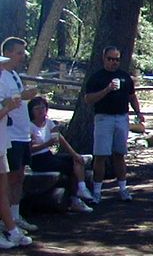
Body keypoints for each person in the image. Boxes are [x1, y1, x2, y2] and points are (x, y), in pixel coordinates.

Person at [83, 46, 145, 202]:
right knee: (101, 155)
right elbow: (88, 99)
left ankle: (123, 189)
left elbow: (132, 96)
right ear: (104, 59)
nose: (113, 62)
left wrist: (138, 112)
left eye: (116, 59)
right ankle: (97, 191)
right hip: (103, 118)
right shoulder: (97, 78)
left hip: (122, 117)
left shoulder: (124, 77)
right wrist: (107, 90)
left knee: (119, 154)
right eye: (110, 59)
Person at [28, 96, 93, 213]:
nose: (41, 111)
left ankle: (81, 190)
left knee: (75, 160)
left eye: (43, 108)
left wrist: (74, 154)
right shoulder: (30, 127)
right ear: (32, 111)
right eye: (37, 109)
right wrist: (47, 143)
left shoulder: (48, 123)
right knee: (68, 167)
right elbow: (30, 150)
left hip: (48, 155)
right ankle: (75, 198)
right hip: (38, 160)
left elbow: (60, 138)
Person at [1, 37, 40, 230]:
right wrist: (23, 96)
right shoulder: (1, 76)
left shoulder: (14, 74)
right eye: (18, 52)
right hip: (11, 135)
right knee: (9, 177)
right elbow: (4, 102)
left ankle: (15, 215)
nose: (22, 56)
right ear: (7, 53)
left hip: (22, 133)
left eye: (23, 52)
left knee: (20, 176)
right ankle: (5, 218)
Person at [0, 52, 32, 248]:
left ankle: (12, 229)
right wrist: (8, 107)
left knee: (2, 191)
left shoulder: (7, 82)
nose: (2, 69)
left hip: (2, 143)